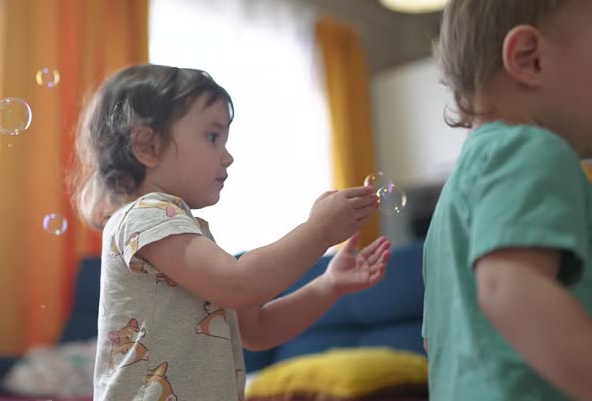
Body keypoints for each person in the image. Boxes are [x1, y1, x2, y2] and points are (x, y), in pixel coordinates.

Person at [70, 63, 390, 400]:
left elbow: (258, 329)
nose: (228, 156)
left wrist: (329, 285)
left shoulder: (183, 230)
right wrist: (318, 231)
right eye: (212, 136)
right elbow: (239, 284)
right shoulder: (145, 215)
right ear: (146, 146)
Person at [422, 0, 592, 399]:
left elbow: (441, 341)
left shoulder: (452, 201)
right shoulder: (534, 148)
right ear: (529, 58)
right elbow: (509, 292)